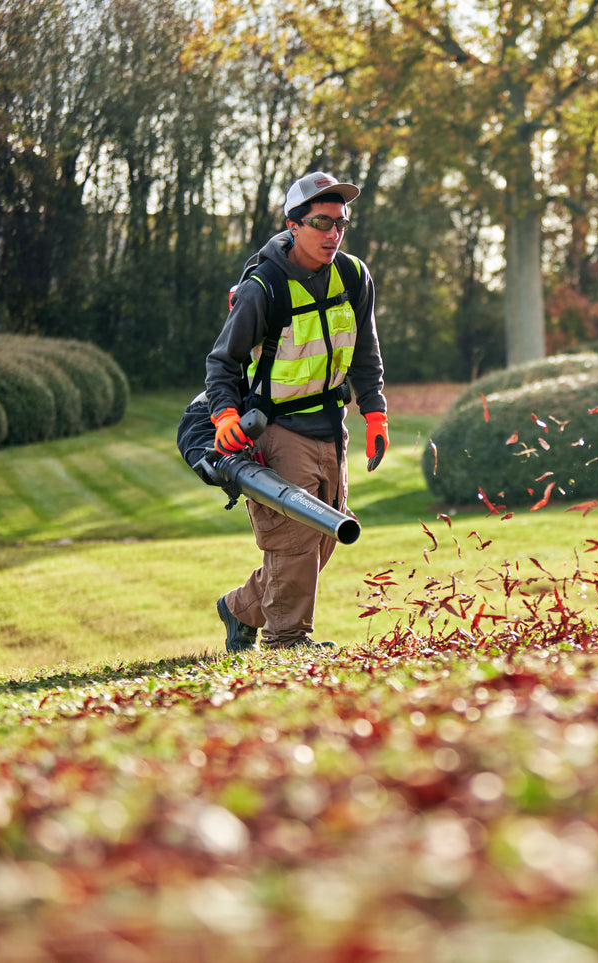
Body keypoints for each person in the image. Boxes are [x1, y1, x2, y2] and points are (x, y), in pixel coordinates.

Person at [204, 171, 388, 652]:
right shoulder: (263, 287)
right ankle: (287, 640)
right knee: (295, 539)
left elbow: (365, 352)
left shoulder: (354, 276)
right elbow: (222, 362)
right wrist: (225, 417)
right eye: (322, 222)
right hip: (277, 428)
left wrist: (375, 414)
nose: (333, 233)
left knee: (324, 536)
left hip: (331, 425)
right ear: (293, 224)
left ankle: (239, 607)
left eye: (341, 223)